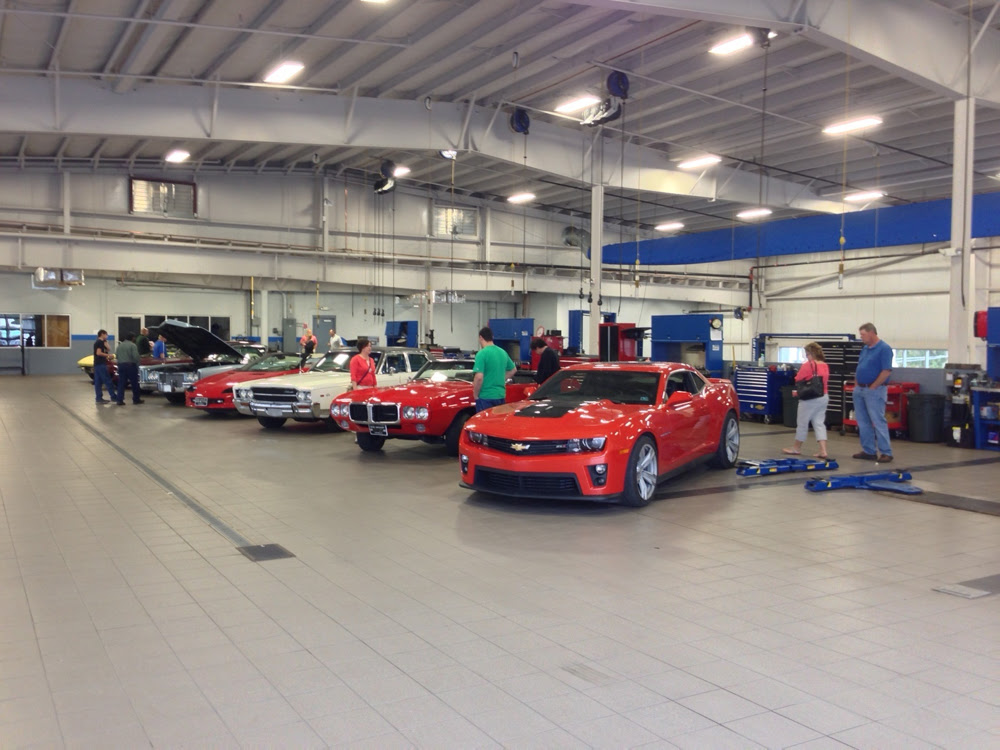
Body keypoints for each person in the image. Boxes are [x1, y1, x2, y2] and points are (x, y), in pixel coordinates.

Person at [853, 322, 894, 462]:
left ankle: (886, 452)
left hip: (874, 391)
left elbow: (886, 370)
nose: (861, 337)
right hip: (860, 389)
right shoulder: (865, 349)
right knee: (863, 422)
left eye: (863, 335)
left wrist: (873, 386)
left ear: (871, 333)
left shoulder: (884, 349)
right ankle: (869, 451)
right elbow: (860, 366)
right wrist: (857, 383)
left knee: (878, 421)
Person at [783, 342, 830, 458]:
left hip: (810, 398)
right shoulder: (824, 365)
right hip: (823, 396)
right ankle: (823, 450)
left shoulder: (808, 365)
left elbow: (798, 378)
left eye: (807, 354)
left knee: (802, 423)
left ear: (811, 353)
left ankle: (796, 448)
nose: (806, 356)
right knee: (819, 423)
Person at [472, 327, 516, 413]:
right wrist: (500, 378)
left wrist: (475, 395)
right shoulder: (503, 352)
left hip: (486, 397)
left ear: (480, 337)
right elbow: (513, 370)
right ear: (492, 337)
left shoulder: (482, 353)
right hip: (500, 396)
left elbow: (479, 377)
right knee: (497, 420)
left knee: (484, 421)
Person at [114, 332, 144, 405]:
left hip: (121, 366)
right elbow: (135, 356)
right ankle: (136, 399)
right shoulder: (133, 345)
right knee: (134, 383)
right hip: (130, 366)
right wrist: (138, 364)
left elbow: (116, 356)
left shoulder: (119, 346)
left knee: (121, 383)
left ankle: (119, 400)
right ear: (132, 338)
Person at [93, 329, 114, 403]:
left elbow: (108, 349)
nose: (107, 336)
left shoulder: (99, 342)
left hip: (97, 364)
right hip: (101, 364)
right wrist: (108, 355)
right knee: (107, 380)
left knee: (98, 382)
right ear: (102, 334)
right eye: (106, 335)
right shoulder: (100, 342)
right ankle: (113, 396)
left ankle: (99, 398)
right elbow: (98, 353)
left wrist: (106, 342)